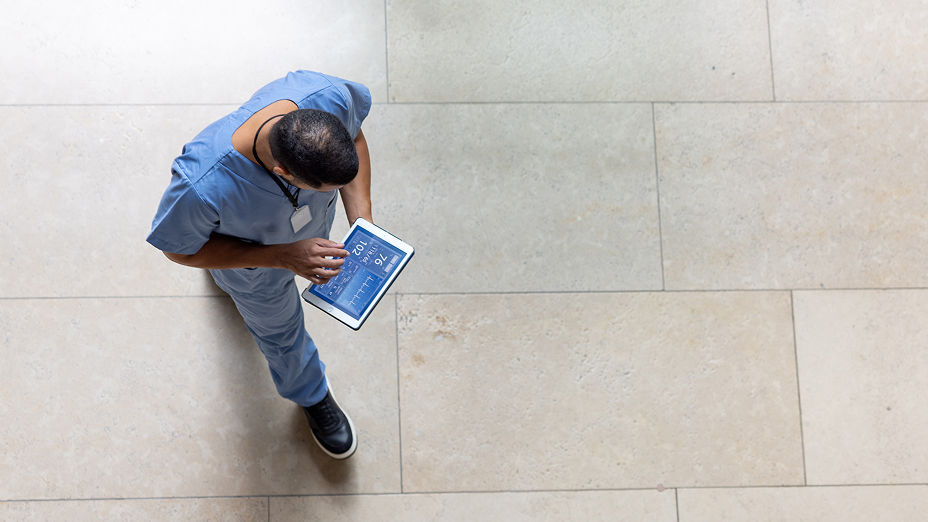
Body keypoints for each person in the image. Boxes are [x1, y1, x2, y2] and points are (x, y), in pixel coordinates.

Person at [146, 70, 373, 460]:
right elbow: (178, 250)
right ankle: (311, 394)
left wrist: (363, 220)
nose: (338, 194)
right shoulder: (201, 187)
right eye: (326, 189)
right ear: (284, 173)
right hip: (260, 267)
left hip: (304, 235)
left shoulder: (326, 95)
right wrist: (282, 256)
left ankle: (222, 269)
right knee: (281, 334)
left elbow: (354, 136)